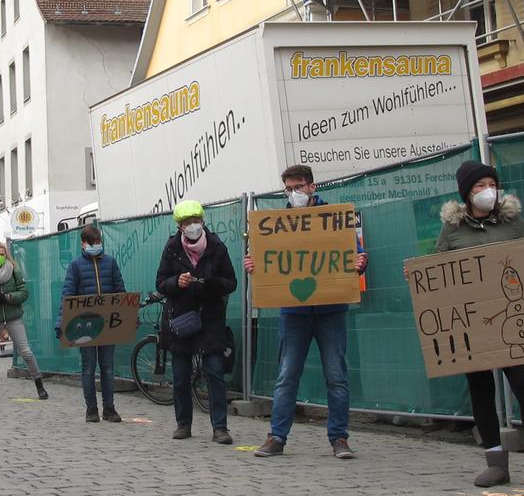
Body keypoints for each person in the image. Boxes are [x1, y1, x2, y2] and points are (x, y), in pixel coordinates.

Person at [424, 160, 524, 492]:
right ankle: (495, 463)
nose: (487, 191)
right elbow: (438, 276)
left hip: (513, 318)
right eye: (479, 186)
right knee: (481, 392)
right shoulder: (452, 230)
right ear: (466, 193)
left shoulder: (513, 222)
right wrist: (422, 278)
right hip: (473, 326)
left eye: (491, 184)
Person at [247, 165, 368, 460]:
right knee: (287, 376)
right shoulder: (274, 224)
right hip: (293, 312)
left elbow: (354, 255)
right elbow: (267, 262)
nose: (293, 194)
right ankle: (276, 437)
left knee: (336, 375)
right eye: (288, 189)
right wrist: (254, 266)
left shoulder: (335, 219)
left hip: (331, 309)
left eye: (298, 187)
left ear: (312, 187)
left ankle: (339, 438)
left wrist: (360, 263)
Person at [156, 199, 237, 444]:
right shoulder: (172, 248)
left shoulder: (217, 246)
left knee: (215, 372)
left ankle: (220, 428)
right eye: (188, 222)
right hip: (181, 319)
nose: (193, 226)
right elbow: (160, 282)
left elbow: (231, 282)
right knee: (180, 375)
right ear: (180, 226)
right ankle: (183, 423)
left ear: (203, 221)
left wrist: (211, 282)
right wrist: (175, 283)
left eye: (196, 221)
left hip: (210, 319)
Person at [56, 225, 126, 423]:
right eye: (92, 242)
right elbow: (67, 294)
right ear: (83, 243)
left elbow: (120, 291)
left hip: (108, 322)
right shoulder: (76, 265)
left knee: (108, 367)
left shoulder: (110, 262)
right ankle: (92, 409)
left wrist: (129, 317)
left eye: (98, 242)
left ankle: (109, 408)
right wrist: (61, 321)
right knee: (88, 367)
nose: (96, 246)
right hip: (84, 323)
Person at [0, 241, 47, 401]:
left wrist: (9, 297)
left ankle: (39, 385)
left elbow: (24, 292)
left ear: (6, 255)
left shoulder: (14, 271)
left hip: (13, 316)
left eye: (2, 254)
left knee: (26, 352)